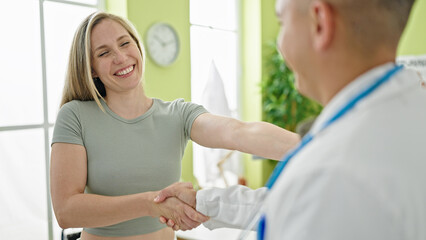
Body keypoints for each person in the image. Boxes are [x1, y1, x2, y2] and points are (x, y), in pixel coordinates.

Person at [155, 0, 426, 239]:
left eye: (281, 21)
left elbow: (312, 198)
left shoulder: (332, 172)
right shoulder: (407, 112)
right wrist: (206, 201)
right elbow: (296, 204)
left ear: (319, 22)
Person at [49, 11, 300, 240]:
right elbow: (66, 211)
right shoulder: (76, 116)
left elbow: (239, 133)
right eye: (104, 53)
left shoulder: (177, 114)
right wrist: (149, 203)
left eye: (125, 43)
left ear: (137, 46)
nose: (120, 57)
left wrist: (315, 146)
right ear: (91, 68)